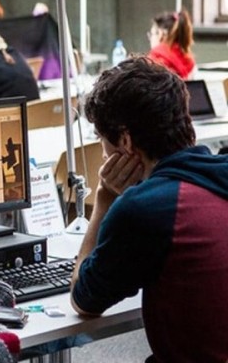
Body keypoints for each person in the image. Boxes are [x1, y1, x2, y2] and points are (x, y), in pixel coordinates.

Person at [71, 56, 228, 362]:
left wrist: (105, 199)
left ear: (125, 140)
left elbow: (84, 300)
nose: (103, 153)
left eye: (102, 140)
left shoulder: (146, 209)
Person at [147, 9, 195, 79]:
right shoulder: (189, 60)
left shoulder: (155, 58)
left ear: (161, 34)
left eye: (152, 34)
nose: (150, 39)